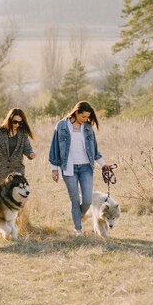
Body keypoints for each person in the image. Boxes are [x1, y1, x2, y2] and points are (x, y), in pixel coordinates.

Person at [49, 101, 110, 237]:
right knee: (75, 200)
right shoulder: (61, 125)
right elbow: (54, 149)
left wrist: (103, 164)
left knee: (87, 200)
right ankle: (78, 229)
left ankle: (78, 216)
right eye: (83, 117)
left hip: (86, 167)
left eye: (87, 117)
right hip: (68, 168)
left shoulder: (88, 127)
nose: (85, 120)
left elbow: (94, 149)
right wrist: (54, 169)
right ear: (76, 112)